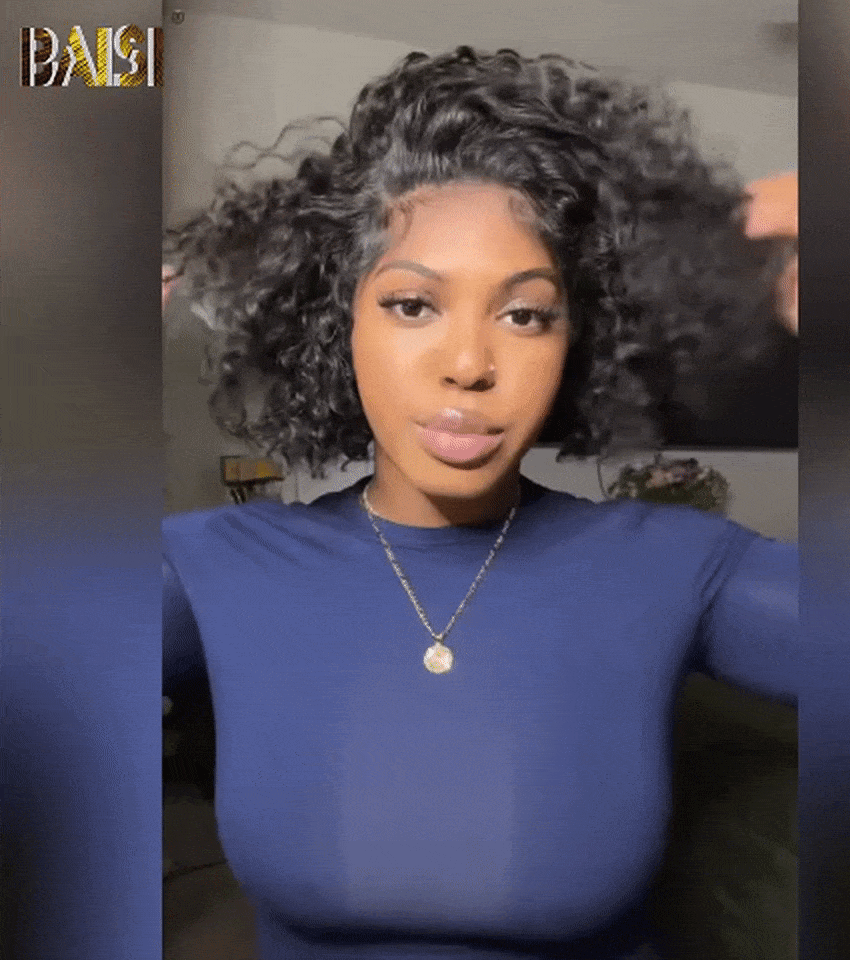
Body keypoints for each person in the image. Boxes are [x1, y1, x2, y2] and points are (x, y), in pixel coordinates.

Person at [163, 47, 799, 960]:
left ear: (580, 342)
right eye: (413, 304)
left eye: (525, 314)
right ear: (336, 320)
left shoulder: (676, 564)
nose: (468, 364)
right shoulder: (212, 564)